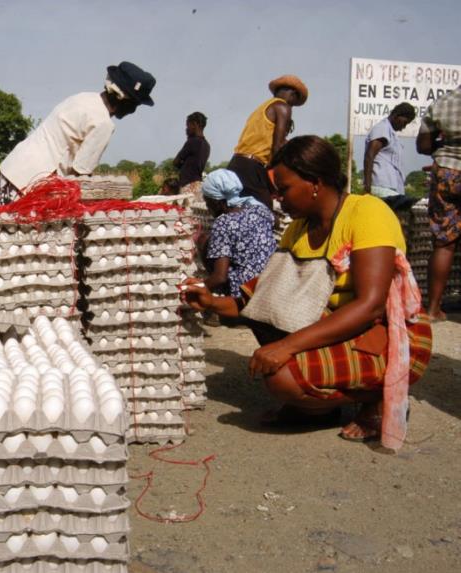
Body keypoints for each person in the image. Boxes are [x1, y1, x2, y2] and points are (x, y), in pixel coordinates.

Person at [183, 136, 431, 449]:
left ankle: (379, 398)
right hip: (336, 325)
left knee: (281, 376)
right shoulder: (298, 229)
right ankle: (319, 409)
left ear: (315, 182)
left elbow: (370, 306)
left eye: (284, 188)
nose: (277, 197)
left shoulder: (367, 213)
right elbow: (260, 300)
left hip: (384, 332)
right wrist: (211, 302)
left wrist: (286, 347)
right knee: (269, 319)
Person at [0, 61, 156, 206]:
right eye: (135, 104)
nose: (133, 111)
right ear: (124, 99)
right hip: (29, 185)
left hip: (12, 171)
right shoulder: (103, 123)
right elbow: (81, 174)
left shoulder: (83, 98)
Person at [228, 75, 308, 209]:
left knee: (239, 213)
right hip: (251, 167)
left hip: (237, 163)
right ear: (293, 94)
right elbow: (278, 146)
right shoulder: (282, 107)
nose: (292, 107)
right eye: (294, 103)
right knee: (266, 216)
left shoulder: (262, 108)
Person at [417, 85, 461, 321]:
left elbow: (423, 146)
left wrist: (446, 147)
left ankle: (433, 309)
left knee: (444, 243)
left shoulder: (443, 102)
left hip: (447, 172)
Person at [201, 169, 277, 298]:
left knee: (204, 240)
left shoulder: (223, 223)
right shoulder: (259, 210)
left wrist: (198, 287)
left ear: (218, 202)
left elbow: (220, 277)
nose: (208, 207)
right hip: (272, 284)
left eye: (208, 203)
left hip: (245, 293)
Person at [363, 102, 417, 210]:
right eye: (405, 122)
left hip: (392, 189)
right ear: (397, 116)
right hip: (382, 188)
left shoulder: (391, 132)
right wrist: (367, 187)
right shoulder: (382, 128)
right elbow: (369, 156)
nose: (404, 127)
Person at [173, 111, 210, 196]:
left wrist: (182, 165)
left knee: (186, 209)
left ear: (194, 124)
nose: (186, 128)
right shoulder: (206, 145)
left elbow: (175, 162)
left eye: (188, 125)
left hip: (188, 185)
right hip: (199, 185)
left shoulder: (192, 142)